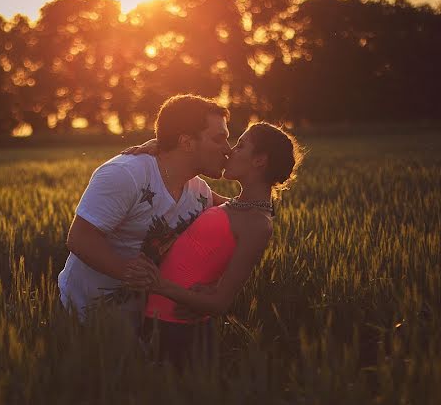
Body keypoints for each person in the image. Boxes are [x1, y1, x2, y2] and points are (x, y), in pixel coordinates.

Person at [127, 122, 304, 369]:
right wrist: (160, 148)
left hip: (180, 332)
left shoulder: (258, 224)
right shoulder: (233, 205)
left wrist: (159, 285)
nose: (230, 151)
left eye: (241, 145)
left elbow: (220, 303)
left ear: (259, 160)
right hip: (158, 321)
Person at [57, 94, 234, 328]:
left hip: (145, 322)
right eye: (219, 139)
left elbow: (246, 215)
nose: (228, 150)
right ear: (187, 143)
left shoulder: (199, 190)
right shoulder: (125, 173)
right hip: (83, 318)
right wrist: (133, 274)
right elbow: (80, 238)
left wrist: (207, 290)